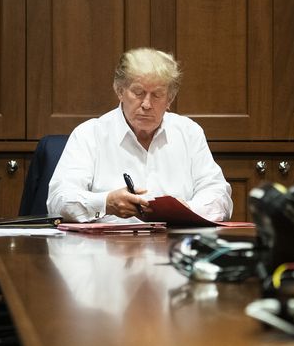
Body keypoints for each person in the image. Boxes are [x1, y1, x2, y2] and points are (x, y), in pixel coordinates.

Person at [47, 47, 233, 223]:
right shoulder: (90, 134)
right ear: (120, 91)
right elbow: (58, 200)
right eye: (138, 92)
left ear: (170, 98)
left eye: (157, 95)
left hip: (173, 247)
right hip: (107, 250)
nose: (146, 104)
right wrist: (106, 203)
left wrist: (187, 209)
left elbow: (219, 195)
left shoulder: (189, 133)